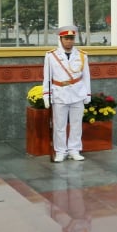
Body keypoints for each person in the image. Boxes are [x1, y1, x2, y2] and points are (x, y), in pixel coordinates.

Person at [42, 25, 92, 162]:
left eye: (71, 38)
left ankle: (74, 150)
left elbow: (86, 76)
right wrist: (46, 95)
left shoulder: (82, 56)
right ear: (61, 39)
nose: (69, 41)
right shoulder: (51, 56)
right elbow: (47, 77)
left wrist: (88, 94)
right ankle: (60, 151)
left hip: (78, 93)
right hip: (59, 94)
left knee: (76, 124)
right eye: (66, 38)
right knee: (59, 126)